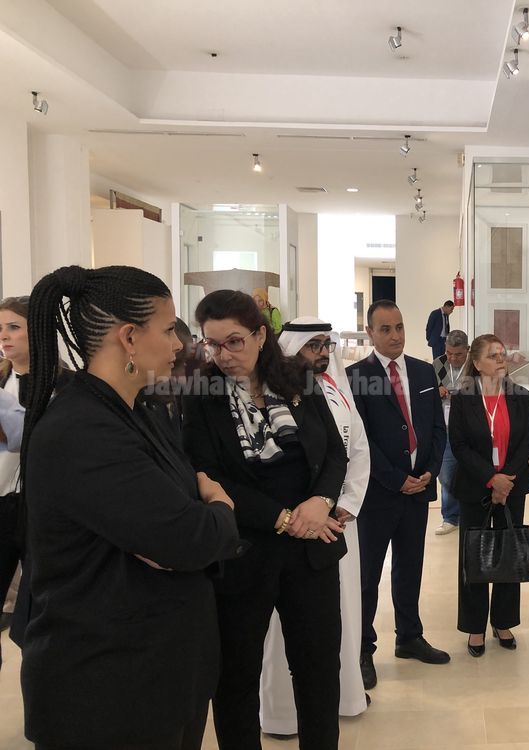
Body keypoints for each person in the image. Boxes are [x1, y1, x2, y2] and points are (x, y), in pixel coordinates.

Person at [19, 265, 241, 750]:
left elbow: (180, 532)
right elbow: (190, 538)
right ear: (129, 338)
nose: (178, 344)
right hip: (108, 689)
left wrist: (195, 524)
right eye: (167, 329)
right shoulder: (82, 430)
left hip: (163, 673)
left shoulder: (141, 410)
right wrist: (220, 507)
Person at [182, 290, 348, 750]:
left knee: (318, 672)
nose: (223, 355)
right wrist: (284, 517)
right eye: (212, 344)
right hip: (244, 554)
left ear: (260, 335)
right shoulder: (202, 394)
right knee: (236, 678)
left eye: (234, 341)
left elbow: (334, 452)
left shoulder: (299, 379)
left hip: (311, 552)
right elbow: (206, 475)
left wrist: (321, 500)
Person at [257, 318, 370, 736]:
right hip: (289, 528)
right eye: (313, 346)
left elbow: (357, 451)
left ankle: (344, 697)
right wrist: (303, 515)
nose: (322, 354)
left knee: (338, 618)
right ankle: (282, 714)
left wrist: (344, 506)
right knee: (284, 629)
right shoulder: (268, 393)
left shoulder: (336, 390)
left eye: (326, 345)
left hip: (338, 524)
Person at [347, 300, 449, 691]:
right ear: (370, 332)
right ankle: (363, 649)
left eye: (400, 327)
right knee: (368, 575)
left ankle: (409, 637)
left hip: (418, 490)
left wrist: (430, 471)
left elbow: (437, 428)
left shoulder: (424, 371)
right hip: (378, 494)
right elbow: (360, 440)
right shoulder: (357, 376)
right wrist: (395, 479)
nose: (395, 336)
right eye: (386, 329)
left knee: (410, 567)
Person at [448, 334, 529, 656]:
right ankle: (475, 626)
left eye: (503, 354)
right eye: (493, 355)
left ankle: (503, 621)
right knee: (475, 556)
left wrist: (505, 479)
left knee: (508, 553)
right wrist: (490, 478)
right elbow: (459, 445)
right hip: (476, 487)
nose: (501, 360)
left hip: (513, 486)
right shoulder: (463, 398)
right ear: (477, 362)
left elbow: (526, 441)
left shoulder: (520, 395)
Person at [0, 296, 30, 639]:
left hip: (39, 503)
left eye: (13, 327)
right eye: (0, 329)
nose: (4, 336)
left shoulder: (64, 384)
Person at [432, 329, 469, 535]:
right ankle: (450, 517)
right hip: (445, 428)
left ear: (467, 350)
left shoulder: (475, 366)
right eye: (449, 353)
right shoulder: (438, 364)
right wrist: (436, 391)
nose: (453, 358)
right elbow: (426, 391)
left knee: (470, 472)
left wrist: (462, 397)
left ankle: (468, 513)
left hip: (469, 429)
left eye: (458, 354)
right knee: (446, 474)